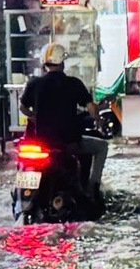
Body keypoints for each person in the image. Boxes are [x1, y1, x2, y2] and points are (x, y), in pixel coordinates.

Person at [20, 44, 107, 197]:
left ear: (44, 63)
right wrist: (98, 119)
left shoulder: (34, 84)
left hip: (43, 144)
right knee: (102, 147)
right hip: (69, 144)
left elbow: (22, 107)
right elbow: (91, 107)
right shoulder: (74, 83)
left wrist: (33, 116)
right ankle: (93, 188)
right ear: (62, 63)